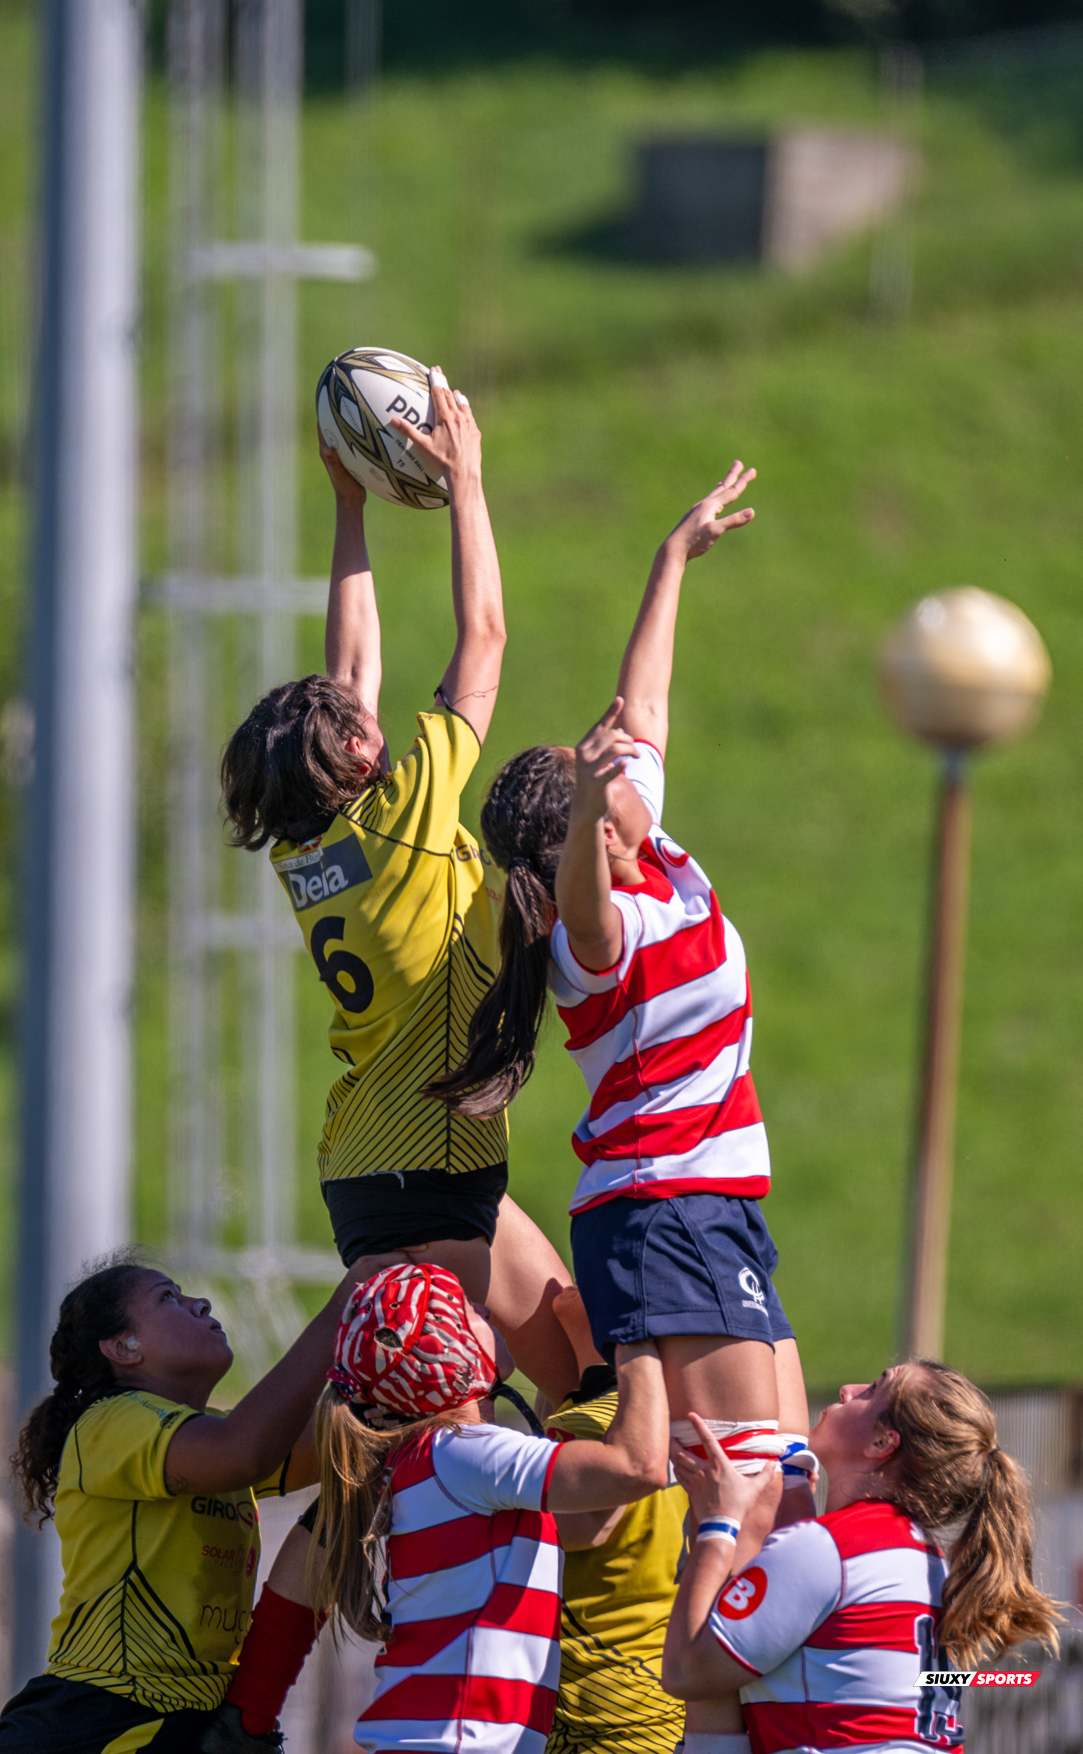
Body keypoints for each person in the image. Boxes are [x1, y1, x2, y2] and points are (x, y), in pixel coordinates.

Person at [430, 461, 815, 1739]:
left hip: (720, 1207)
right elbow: (588, 871)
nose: (635, 764)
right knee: (745, 1490)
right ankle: (705, 1701)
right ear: (587, 833)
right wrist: (589, 792)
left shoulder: (655, 844)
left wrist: (673, 555)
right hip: (665, 1213)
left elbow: (641, 699)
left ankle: (773, 1698)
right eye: (606, 783)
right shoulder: (599, 939)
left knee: (794, 1476)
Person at [220, 370, 582, 1404]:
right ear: (358, 757)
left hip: (381, 1158)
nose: (362, 706)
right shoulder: (412, 814)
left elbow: (353, 667)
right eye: (352, 719)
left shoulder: (310, 847)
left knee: (574, 1350)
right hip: (426, 1159)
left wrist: (351, 509)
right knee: (445, 1422)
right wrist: (468, 483)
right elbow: (485, 639)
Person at [205, 1261, 671, 1754]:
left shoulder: (427, 1462)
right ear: (454, 1354)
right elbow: (635, 1467)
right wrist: (634, 1341)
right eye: (468, 1309)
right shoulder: (466, 1455)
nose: (486, 1306)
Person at [0, 1251, 390, 1753]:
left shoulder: (208, 1441)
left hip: (182, 1721)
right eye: (168, 1298)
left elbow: (340, 1445)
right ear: (124, 1347)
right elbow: (244, 1450)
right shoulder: (109, 1424)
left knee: (359, 1475)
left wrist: (410, 1386)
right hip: (94, 1721)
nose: (199, 1303)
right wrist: (345, 1305)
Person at [662, 1359, 1064, 1754]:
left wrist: (719, 1520)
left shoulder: (830, 1550)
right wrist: (793, 1480)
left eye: (872, 1390)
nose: (847, 1389)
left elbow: (685, 1671)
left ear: (882, 1443)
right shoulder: (924, 1557)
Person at [543, 1316, 689, 1754]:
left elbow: (568, 1528)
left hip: (604, 1716)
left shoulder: (585, 1431)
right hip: (668, 1703)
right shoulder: (689, 1417)